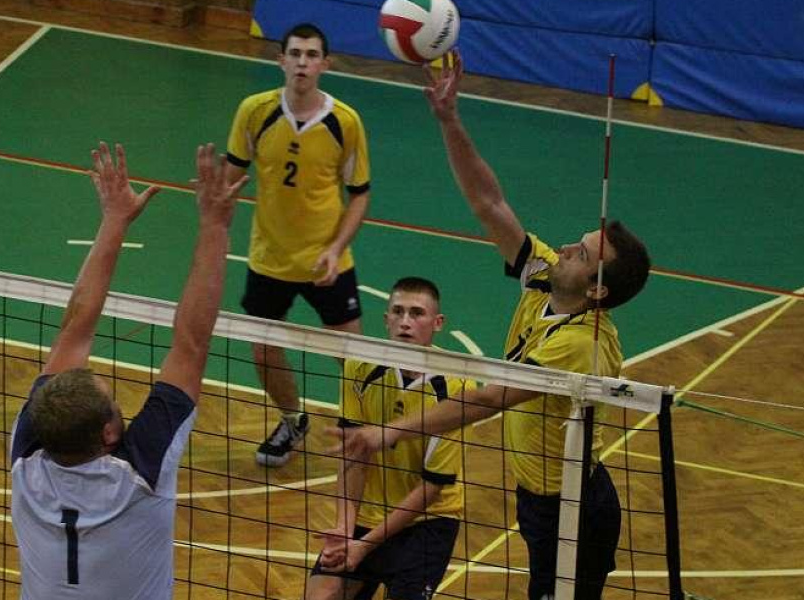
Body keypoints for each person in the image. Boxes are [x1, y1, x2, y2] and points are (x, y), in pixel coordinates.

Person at [332, 52, 652, 600]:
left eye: (581, 253)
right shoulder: (545, 280)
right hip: (537, 494)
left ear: (597, 290)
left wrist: (390, 432)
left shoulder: (583, 345)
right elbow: (489, 202)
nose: (565, 248)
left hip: (572, 508)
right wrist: (449, 119)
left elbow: (488, 399)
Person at [9, 142, 246, 599]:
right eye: (114, 403)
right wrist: (215, 225)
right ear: (109, 433)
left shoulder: (26, 459)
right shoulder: (139, 475)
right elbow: (190, 342)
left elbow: (76, 328)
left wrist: (114, 221)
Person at [225, 22, 372, 467]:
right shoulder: (255, 111)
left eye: (311, 55)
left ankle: (368, 427)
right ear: (281, 61)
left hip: (326, 261)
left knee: (354, 358)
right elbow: (232, 175)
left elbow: (359, 194)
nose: (302, 63)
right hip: (269, 259)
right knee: (263, 352)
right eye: (295, 54)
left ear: (325, 64)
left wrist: (335, 248)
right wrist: (215, 195)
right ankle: (292, 421)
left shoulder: (344, 122)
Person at [307, 277, 473, 600]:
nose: (405, 322)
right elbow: (354, 455)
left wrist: (364, 547)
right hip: (367, 513)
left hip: (427, 521)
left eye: (417, 313)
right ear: (386, 319)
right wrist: (345, 527)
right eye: (398, 312)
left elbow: (431, 487)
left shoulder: (456, 388)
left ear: (437, 323)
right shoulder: (359, 367)